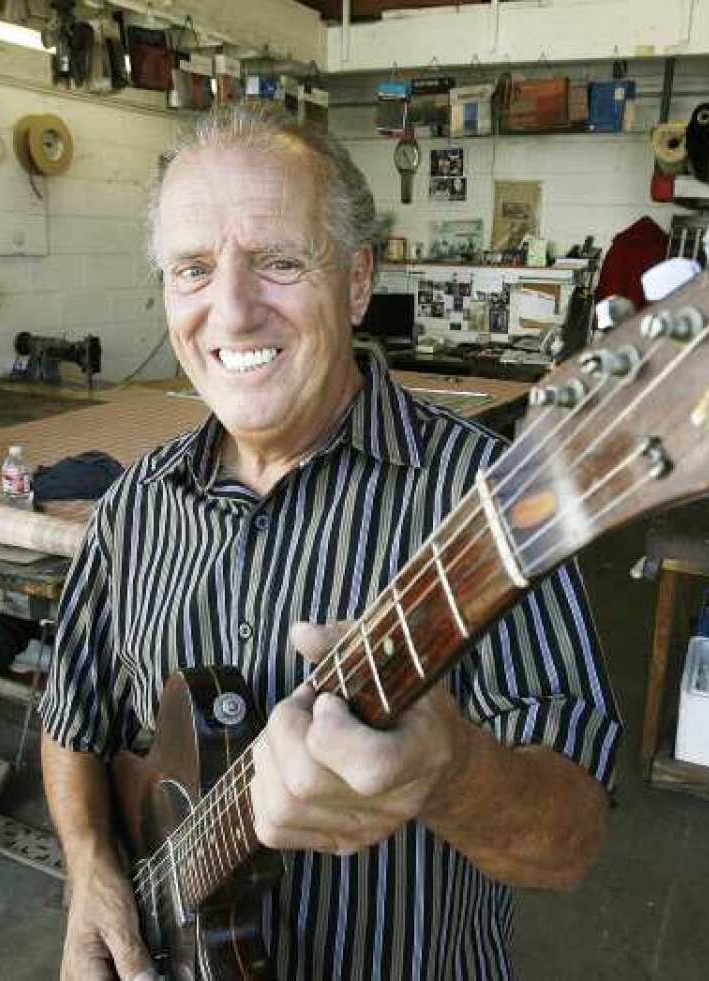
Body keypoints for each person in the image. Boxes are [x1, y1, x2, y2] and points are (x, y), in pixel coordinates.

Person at [38, 105, 621, 980]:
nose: (230, 312)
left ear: (356, 281)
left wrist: (449, 771)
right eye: (193, 269)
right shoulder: (135, 505)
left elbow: (572, 839)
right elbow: (69, 718)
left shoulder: (489, 502)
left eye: (278, 262)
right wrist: (90, 868)